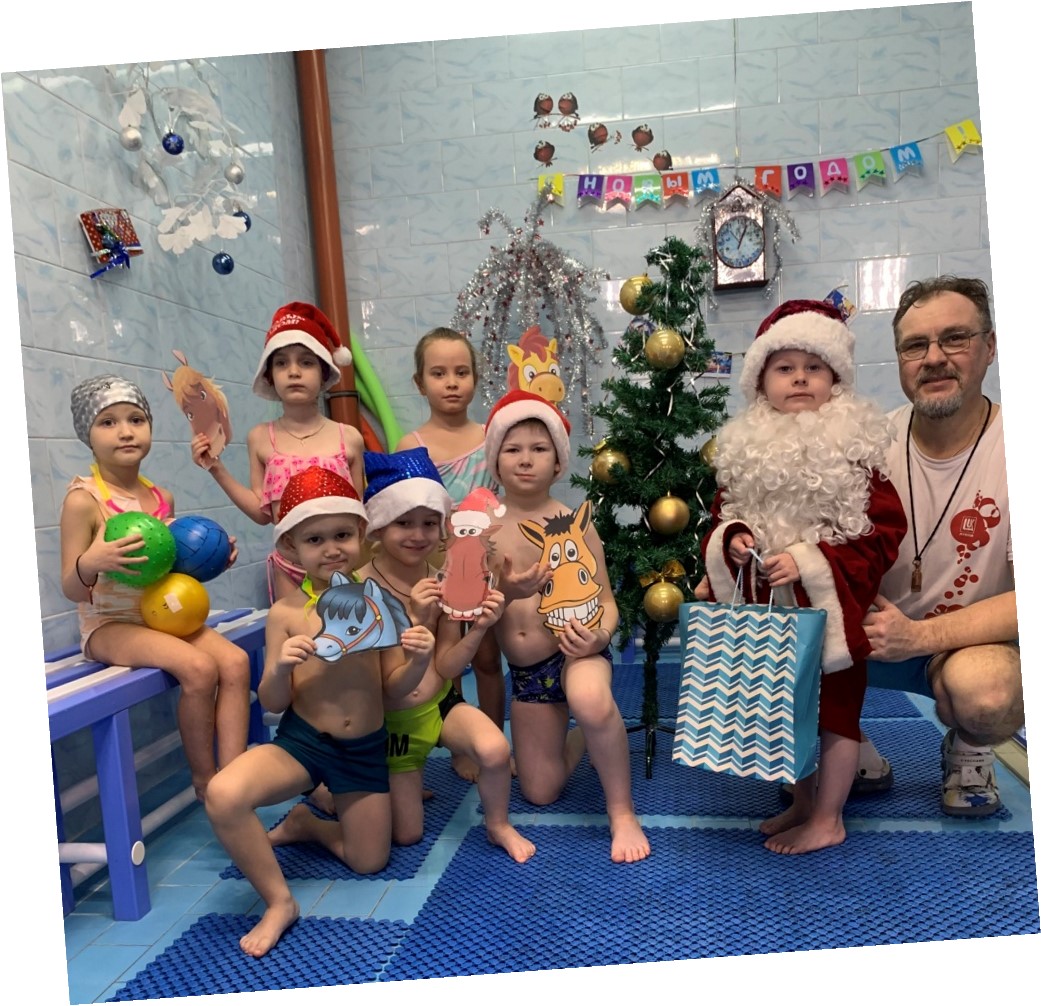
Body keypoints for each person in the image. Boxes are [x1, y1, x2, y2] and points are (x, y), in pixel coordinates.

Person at [696, 300, 907, 855]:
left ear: (835, 379)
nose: (799, 379)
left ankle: (829, 818)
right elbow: (721, 517)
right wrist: (732, 539)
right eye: (785, 368)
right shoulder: (745, 451)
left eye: (814, 367)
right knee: (786, 713)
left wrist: (811, 562)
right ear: (761, 380)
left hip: (831, 613)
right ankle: (803, 801)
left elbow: (884, 534)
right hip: (771, 614)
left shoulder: (856, 450)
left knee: (836, 715)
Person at [204, 465, 435, 958]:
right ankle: (279, 901)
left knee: (369, 861)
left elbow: (394, 691)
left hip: (364, 749)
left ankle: (308, 824)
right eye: (315, 539)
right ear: (291, 547)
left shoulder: (377, 604)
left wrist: (417, 661)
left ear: (362, 535)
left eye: (342, 535)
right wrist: (279, 669)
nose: (331, 549)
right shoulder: (286, 614)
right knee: (224, 795)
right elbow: (272, 703)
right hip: (303, 742)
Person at [861, 276, 1020, 818]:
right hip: (870, 638)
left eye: (955, 338)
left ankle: (970, 747)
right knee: (778, 649)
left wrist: (921, 637)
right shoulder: (868, 446)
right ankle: (847, 746)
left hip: (966, 645)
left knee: (989, 694)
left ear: (990, 347)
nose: (934, 358)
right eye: (915, 345)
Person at [60, 375, 251, 802]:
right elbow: (72, 587)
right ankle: (206, 783)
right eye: (108, 422)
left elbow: (167, 567)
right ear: (87, 434)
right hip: (110, 625)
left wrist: (212, 557)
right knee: (199, 669)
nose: (125, 431)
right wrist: (92, 562)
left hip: (159, 616)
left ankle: (235, 779)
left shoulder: (160, 497)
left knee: (236, 663)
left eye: (136, 419)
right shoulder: (84, 500)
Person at [482, 389, 651, 864]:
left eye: (539, 449)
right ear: (495, 461)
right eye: (513, 449)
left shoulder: (574, 524)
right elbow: (469, 606)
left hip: (577, 651)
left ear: (558, 462)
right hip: (528, 675)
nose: (525, 460)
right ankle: (581, 739)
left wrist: (600, 637)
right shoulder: (482, 529)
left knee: (590, 700)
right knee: (540, 792)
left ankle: (622, 811)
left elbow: (607, 601)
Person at [357, 447, 535, 863]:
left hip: (439, 705)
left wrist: (481, 628)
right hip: (392, 724)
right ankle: (327, 805)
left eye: (428, 523)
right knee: (406, 836)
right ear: (378, 526)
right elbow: (389, 687)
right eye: (403, 522)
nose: (417, 534)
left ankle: (498, 824)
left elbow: (449, 664)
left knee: (495, 749)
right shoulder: (361, 591)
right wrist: (418, 620)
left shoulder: (444, 579)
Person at [192, 301, 364, 602]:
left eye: (306, 362)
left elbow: (358, 514)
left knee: (344, 628)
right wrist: (216, 468)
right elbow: (261, 513)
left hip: (338, 564)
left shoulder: (348, 437)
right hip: (289, 568)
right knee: (292, 629)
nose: (293, 372)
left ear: (324, 372)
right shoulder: (260, 438)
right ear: (270, 375)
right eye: (282, 363)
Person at [397, 327, 506, 778]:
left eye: (462, 372)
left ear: (476, 378)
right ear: (420, 383)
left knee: (488, 657)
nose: (451, 383)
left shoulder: (491, 437)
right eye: (438, 373)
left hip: (487, 564)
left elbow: (504, 502)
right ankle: (459, 744)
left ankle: (493, 740)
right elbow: (407, 514)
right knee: (449, 663)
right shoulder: (411, 446)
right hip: (438, 569)